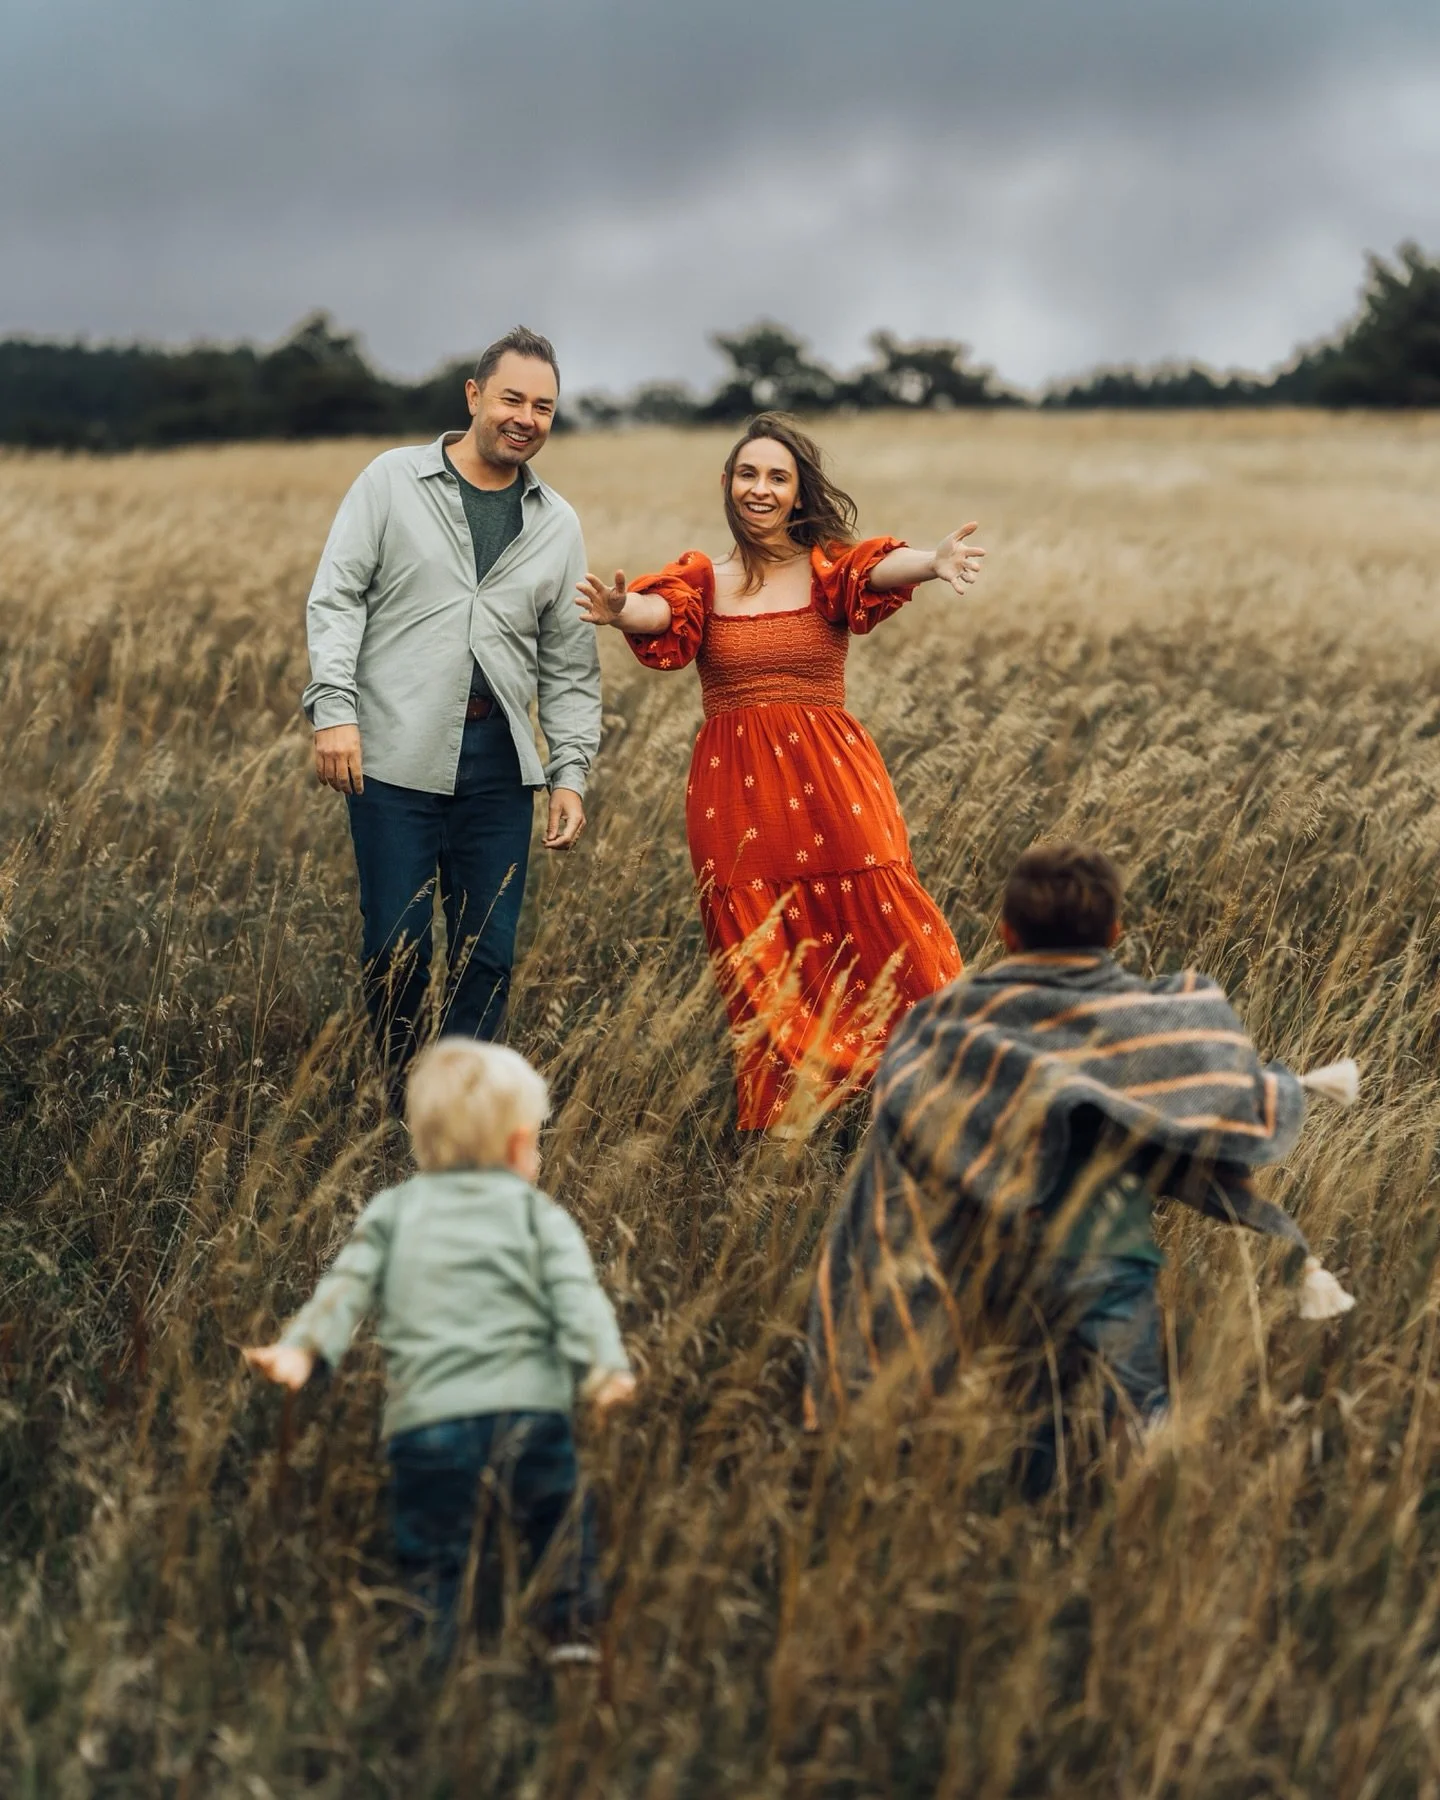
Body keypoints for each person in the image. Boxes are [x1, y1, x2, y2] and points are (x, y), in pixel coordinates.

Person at [804, 842, 1356, 1488]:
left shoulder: (953, 1025)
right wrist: (1283, 1087)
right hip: (1110, 1263)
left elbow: (907, 1136)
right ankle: (1132, 1535)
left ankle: (1037, 1533)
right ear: (1115, 932)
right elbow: (1216, 1083)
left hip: (998, 1263)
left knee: (1037, 1416)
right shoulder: (1142, 1020)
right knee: (1140, 1419)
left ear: (1007, 933)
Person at [576, 412, 985, 1131]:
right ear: (728, 484)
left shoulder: (827, 567)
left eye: (776, 477)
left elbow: (874, 567)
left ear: (799, 494)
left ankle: (947, 1085)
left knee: (890, 933)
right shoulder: (703, 579)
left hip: (836, 786)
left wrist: (931, 560)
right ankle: (790, 1124)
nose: (759, 488)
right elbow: (657, 613)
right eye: (747, 473)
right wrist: (619, 612)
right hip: (736, 803)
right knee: (762, 957)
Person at [244, 1037, 635, 1665]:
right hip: (530, 1416)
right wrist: (604, 1371)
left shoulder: (394, 1211)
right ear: (516, 1145)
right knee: (558, 1519)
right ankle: (570, 1633)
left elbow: (346, 1288)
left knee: (432, 1554)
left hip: (427, 1425)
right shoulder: (539, 1217)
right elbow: (578, 1299)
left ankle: (433, 1655)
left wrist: (304, 1350)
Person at [304, 326, 601, 1103]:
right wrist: (333, 711)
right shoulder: (392, 480)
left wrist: (569, 771)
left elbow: (570, 660)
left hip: (501, 765)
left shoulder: (557, 523)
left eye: (543, 406)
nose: (526, 418)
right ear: (474, 397)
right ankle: (401, 1089)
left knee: (489, 954)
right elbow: (335, 599)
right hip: (392, 754)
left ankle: (457, 1105)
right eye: (512, 398)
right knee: (396, 948)